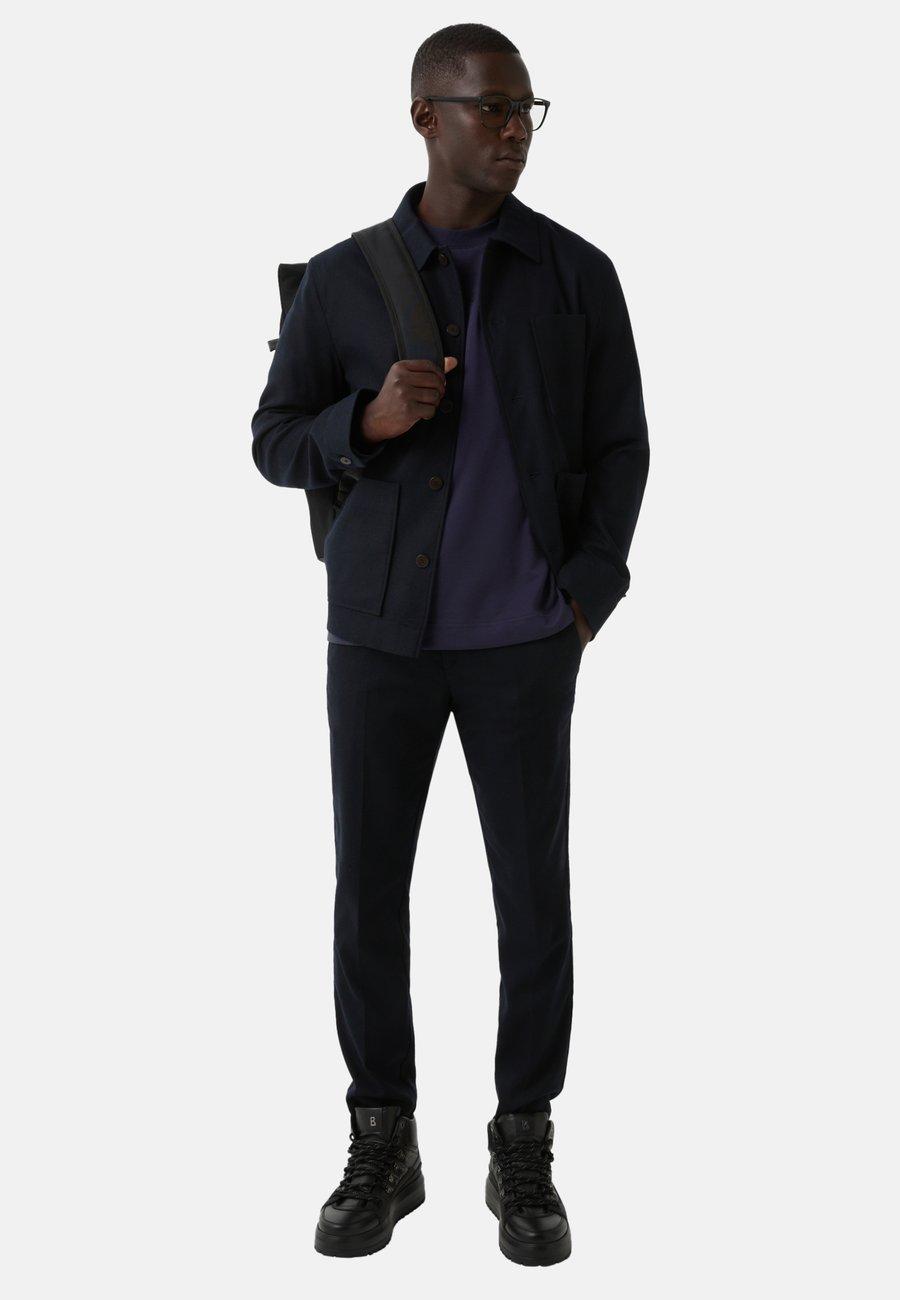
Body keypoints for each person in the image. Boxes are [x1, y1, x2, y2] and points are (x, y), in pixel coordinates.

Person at [250, 22, 649, 1267]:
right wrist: (362, 423)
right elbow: (272, 438)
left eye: (527, 107)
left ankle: (523, 1140)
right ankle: (384, 1138)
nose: (515, 128)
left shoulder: (576, 274)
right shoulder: (342, 279)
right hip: (381, 638)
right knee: (369, 892)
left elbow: (624, 444)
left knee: (533, 897)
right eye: (490, 107)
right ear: (427, 117)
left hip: (527, 641)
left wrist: (585, 594)